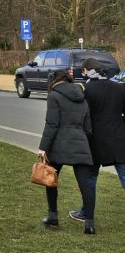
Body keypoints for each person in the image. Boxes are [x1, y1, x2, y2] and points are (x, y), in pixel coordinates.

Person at [37, 69, 95, 234]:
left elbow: (51, 124)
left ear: (54, 80)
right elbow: (88, 127)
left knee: (50, 179)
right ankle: (89, 224)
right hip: (80, 142)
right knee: (86, 186)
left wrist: (43, 147)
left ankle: (53, 216)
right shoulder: (82, 96)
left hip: (59, 144)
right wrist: (84, 141)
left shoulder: (54, 95)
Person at [69, 58, 125, 225]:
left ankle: (86, 212)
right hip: (119, 137)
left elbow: (84, 115)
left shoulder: (87, 89)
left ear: (86, 70)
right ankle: (84, 212)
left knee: (90, 179)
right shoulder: (119, 88)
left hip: (95, 140)